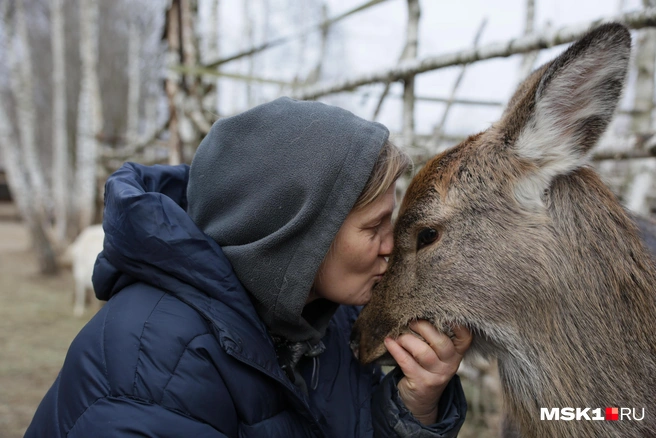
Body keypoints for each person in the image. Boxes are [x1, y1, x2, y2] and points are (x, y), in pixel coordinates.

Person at [25, 97, 471, 437]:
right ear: (297, 235)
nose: (391, 247)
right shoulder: (154, 371)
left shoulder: (326, 323)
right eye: (374, 227)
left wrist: (415, 407)